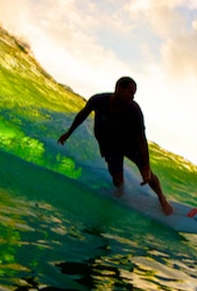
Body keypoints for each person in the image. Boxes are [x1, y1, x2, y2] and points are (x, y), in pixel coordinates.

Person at [58, 76, 174, 215]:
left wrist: (146, 166)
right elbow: (82, 115)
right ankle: (121, 191)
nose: (132, 97)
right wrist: (68, 133)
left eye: (134, 94)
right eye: (130, 92)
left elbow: (141, 139)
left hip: (128, 141)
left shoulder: (134, 110)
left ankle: (161, 198)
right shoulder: (98, 101)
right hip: (109, 143)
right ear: (119, 89)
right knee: (117, 178)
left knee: (147, 172)